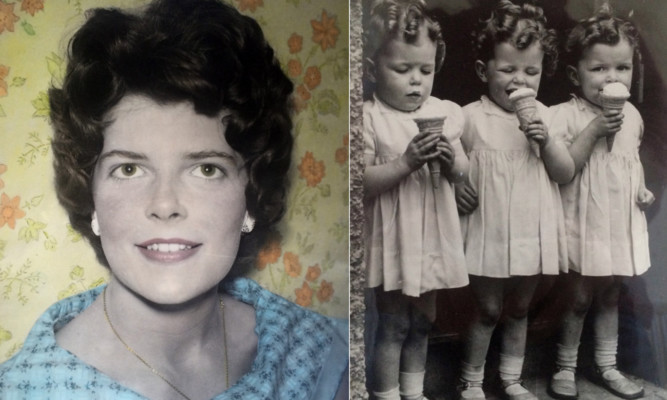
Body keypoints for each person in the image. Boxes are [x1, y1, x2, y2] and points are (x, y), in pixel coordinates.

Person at [0, 1, 348, 399]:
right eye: (129, 169)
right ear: (91, 198)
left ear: (250, 200)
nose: (165, 204)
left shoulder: (320, 354)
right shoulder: (23, 390)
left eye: (206, 169)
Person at [453, 2, 574, 399]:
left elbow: (564, 173)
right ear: (483, 71)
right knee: (488, 309)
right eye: (507, 70)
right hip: (490, 229)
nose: (519, 79)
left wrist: (547, 140)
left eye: (530, 71)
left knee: (520, 308)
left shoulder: (547, 117)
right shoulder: (469, 117)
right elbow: (452, 164)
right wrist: (457, 183)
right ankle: (470, 381)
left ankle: (511, 378)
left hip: (532, 227)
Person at [362, 1, 470, 398]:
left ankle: (414, 392)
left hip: (432, 234)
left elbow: (464, 173)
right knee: (393, 325)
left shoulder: (444, 113)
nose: (416, 82)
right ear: (373, 70)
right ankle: (386, 394)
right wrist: (407, 161)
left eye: (425, 71)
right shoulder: (370, 118)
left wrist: (452, 159)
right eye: (402, 69)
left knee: (424, 321)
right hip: (393, 237)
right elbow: (363, 184)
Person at [547, 5, 654, 399]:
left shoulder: (634, 116)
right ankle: (565, 366)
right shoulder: (566, 116)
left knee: (610, 293)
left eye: (622, 69)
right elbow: (564, 168)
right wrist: (594, 130)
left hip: (618, 219)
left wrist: (640, 189)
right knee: (577, 296)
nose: (612, 78)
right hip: (583, 218)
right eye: (599, 70)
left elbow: (631, 160)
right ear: (576, 75)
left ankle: (606, 364)